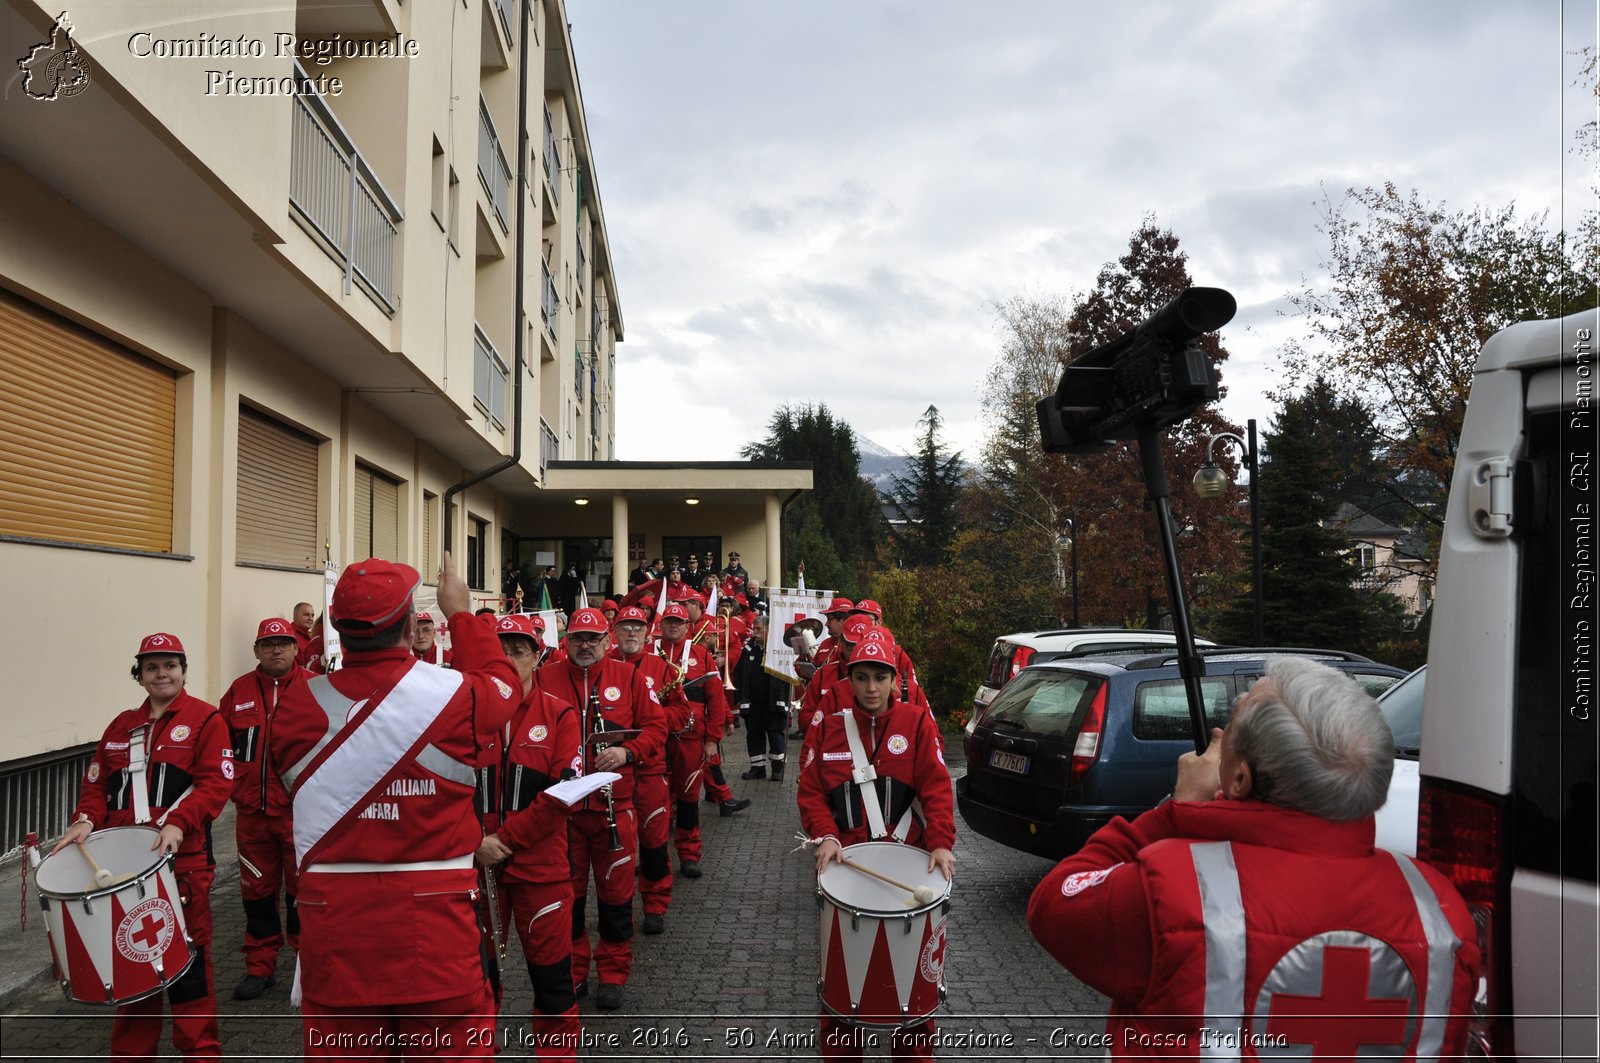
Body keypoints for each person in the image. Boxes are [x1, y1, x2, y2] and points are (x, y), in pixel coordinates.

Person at [1027, 657, 1481, 1058]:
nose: (1218, 735)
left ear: (1240, 778)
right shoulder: (1441, 910)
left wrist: (1173, 814)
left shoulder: (1171, 889)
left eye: (1230, 728)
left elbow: (1054, 906)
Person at [269, 553, 521, 1058]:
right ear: (411, 625)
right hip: (436, 933)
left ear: (338, 628)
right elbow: (504, 682)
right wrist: (463, 614)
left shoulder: (295, 704)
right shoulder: (457, 695)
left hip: (333, 929)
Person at [54, 632, 232, 1062]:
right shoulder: (120, 726)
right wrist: (84, 820)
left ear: (183, 671)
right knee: (132, 972)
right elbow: (96, 784)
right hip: (123, 871)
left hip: (182, 867)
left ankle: (201, 1053)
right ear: (140, 675)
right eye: (152, 667)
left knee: (188, 972)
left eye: (170, 665)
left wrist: (178, 823)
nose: (162, 674)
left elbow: (215, 785)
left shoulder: (207, 720)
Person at [797, 638, 955, 1062]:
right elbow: (811, 793)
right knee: (839, 1000)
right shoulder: (828, 727)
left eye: (880, 677)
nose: (871, 687)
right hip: (848, 867)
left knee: (915, 1001)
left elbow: (938, 788)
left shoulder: (917, 723)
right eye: (862, 677)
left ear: (894, 681)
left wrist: (940, 843)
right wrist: (826, 835)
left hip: (906, 866)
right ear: (849, 679)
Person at [536, 606, 666, 1012]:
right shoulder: (544, 678)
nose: (586, 645)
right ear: (566, 641)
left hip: (616, 809)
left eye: (593, 638)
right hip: (563, 812)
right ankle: (575, 972)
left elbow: (657, 728)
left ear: (607, 642)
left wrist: (627, 752)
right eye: (578, 638)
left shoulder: (629, 677)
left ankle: (612, 972)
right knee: (567, 899)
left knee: (615, 897)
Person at [480, 614, 584, 1058]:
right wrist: (472, 841)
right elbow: (444, 790)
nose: (507, 658)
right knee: (477, 976)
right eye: (500, 650)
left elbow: (563, 797)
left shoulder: (559, 714)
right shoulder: (467, 717)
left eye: (518, 651)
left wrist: (502, 840)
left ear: (537, 657)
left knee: (553, 980)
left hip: (540, 870)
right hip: (477, 869)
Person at [221, 617, 314, 1001]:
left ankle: (307, 966)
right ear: (256, 650)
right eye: (268, 644)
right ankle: (260, 966)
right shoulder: (238, 691)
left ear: (296, 648)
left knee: (301, 891)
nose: (276, 649)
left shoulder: (315, 689)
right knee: (256, 893)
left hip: (300, 815)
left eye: (283, 643)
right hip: (252, 816)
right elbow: (219, 748)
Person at [607, 606, 693, 933]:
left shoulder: (662, 668)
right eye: (625, 627)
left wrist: (649, 714)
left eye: (637, 628)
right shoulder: (603, 665)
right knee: (615, 847)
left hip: (651, 769)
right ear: (615, 631)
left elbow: (682, 712)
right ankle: (619, 908)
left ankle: (655, 905)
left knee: (654, 842)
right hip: (612, 771)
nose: (631, 633)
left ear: (647, 633)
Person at [735, 616, 789, 781]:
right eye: (754, 629)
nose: (755, 632)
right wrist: (739, 696)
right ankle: (757, 768)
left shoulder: (778, 649)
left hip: (774, 702)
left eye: (759, 629)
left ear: (768, 630)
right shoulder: (748, 649)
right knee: (754, 734)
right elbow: (739, 673)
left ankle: (777, 768)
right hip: (752, 703)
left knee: (775, 734)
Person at [291, 601, 318, 670]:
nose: (310, 619)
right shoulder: (290, 636)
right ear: (295, 616)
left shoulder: (313, 636)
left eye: (312, 615)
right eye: (306, 615)